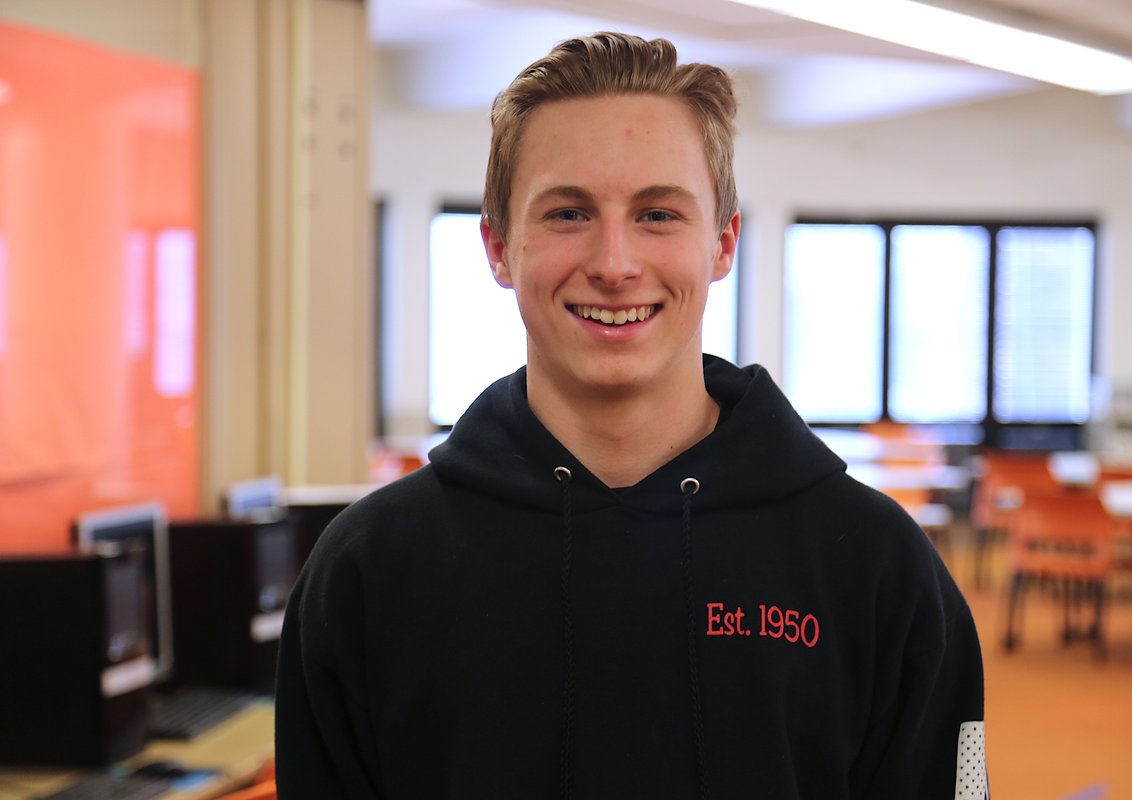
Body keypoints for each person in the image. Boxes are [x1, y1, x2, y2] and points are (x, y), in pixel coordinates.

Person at [275, 31, 988, 799]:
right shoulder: (367, 573)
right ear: (498, 247)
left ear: (722, 243)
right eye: (568, 213)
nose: (614, 265)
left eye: (657, 214)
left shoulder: (878, 569)